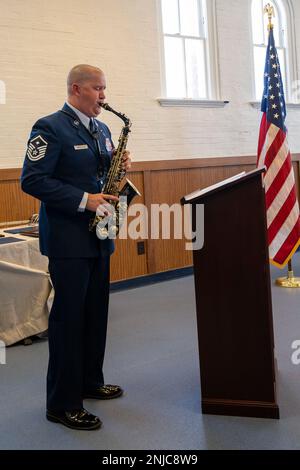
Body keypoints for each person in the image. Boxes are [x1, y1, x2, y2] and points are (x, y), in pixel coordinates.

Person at [21, 64, 131, 431]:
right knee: (68, 320)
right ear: (76, 88)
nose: (104, 95)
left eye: (104, 88)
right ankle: (62, 403)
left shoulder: (101, 128)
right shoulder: (48, 127)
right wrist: (85, 199)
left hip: (100, 235)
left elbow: (101, 174)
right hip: (69, 240)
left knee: (96, 312)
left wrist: (121, 169)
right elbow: (32, 180)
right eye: (98, 88)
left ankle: (89, 381)